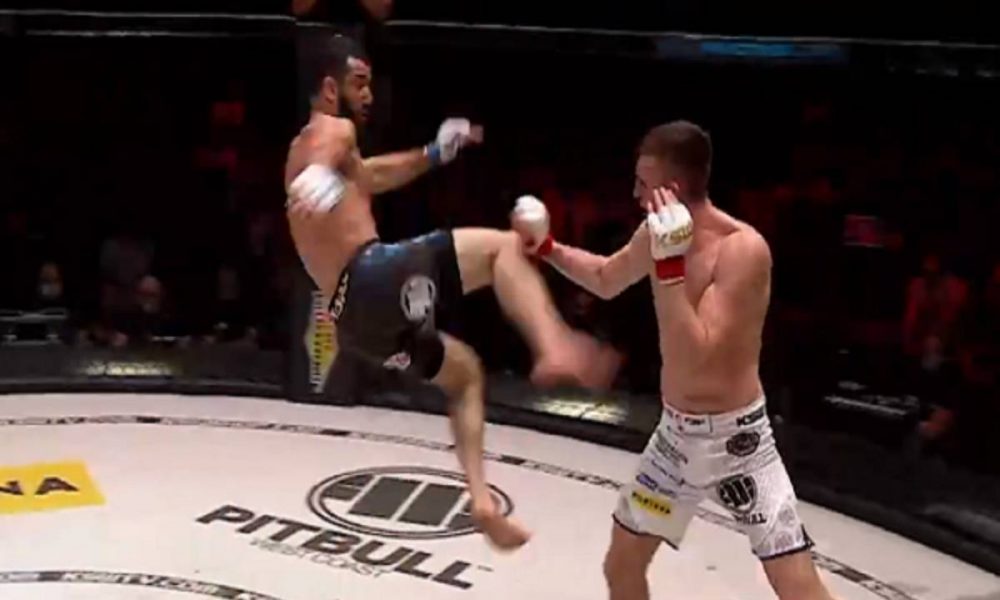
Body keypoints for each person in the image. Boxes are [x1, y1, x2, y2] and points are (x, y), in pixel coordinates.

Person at [284, 35, 618, 552]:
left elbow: (369, 175)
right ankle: (557, 346)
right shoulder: (333, 131)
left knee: (464, 375)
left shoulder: (307, 151)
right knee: (505, 249)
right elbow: (327, 155)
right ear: (330, 89)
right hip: (372, 275)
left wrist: (435, 153)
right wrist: (318, 177)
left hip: (353, 323)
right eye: (359, 83)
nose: (368, 95)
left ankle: (481, 501)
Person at [511, 121, 835, 599]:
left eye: (644, 184)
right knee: (621, 566)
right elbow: (605, 278)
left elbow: (698, 350)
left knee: (796, 586)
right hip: (675, 444)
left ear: (673, 190)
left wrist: (668, 268)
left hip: (740, 445)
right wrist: (548, 250)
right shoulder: (654, 233)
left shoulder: (742, 250)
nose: (636, 195)